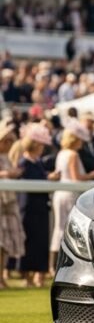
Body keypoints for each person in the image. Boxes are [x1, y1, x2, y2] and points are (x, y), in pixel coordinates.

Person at [50, 124, 94, 274]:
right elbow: (77, 178)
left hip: (60, 193)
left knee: (58, 228)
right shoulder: (73, 155)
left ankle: (52, 266)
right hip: (69, 193)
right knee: (66, 229)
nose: (82, 143)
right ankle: (59, 266)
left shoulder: (62, 153)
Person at [18, 123, 59, 287]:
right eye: (41, 144)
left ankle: (39, 276)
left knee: (42, 240)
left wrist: (49, 177)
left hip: (41, 206)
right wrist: (49, 178)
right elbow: (31, 179)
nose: (43, 148)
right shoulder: (24, 162)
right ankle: (27, 276)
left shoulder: (38, 162)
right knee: (30, 241)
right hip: (29, 207)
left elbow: (41, 176)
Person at [0, 118, 23, 288]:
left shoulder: (6, 158)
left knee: (6, 243)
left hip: (9, 204)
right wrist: (7, 174)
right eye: (5, 140)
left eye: (10, 141)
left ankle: (2, 277)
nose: (8, 144)